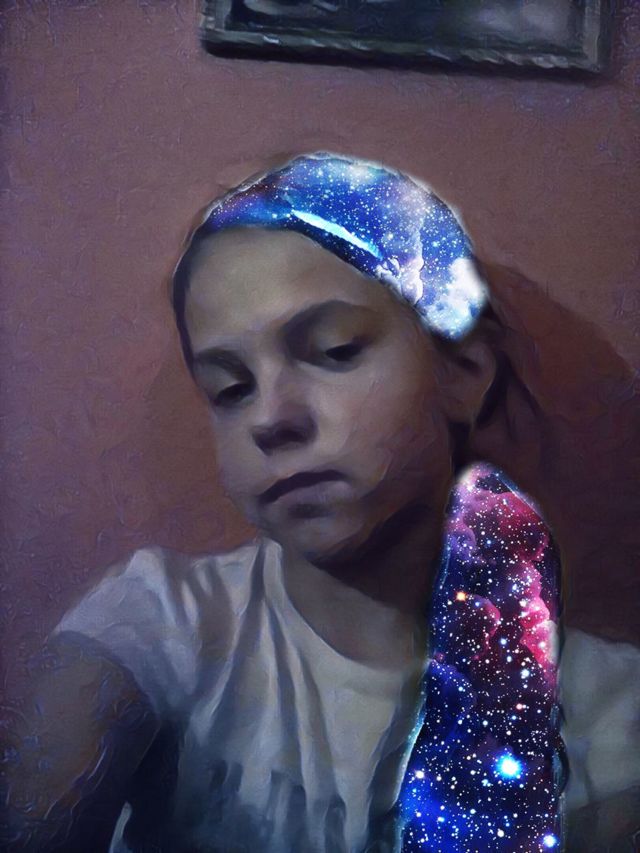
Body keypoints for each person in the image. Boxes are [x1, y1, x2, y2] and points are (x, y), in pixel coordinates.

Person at [2, 154, 638, 853]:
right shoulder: (161, 625)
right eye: (230, 388)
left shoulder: (609, 716)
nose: (269, 418)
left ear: (462, 371)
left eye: (334, 350)